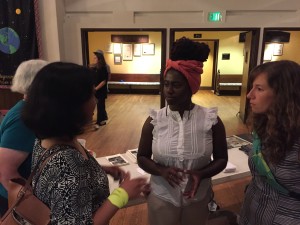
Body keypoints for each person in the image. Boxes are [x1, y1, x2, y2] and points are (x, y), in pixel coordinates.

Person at [21, 62, 149, 224]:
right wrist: (123, 194)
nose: (95, 101)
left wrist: (98, 169)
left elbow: (66, 181)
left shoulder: (47, 139)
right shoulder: (67, 164)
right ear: (71, 106)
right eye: (91, 95)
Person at [137, 37, 228, 225]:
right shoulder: (154, 121)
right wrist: (161, 170)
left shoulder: (211, 121)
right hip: (162, 197)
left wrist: (201, 174)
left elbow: (221, 158)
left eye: (176, 85)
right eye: (166, 84)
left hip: (198, 198)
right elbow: (142, 156)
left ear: (191, 86)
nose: (168, 91)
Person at [239, 60, 300, 225]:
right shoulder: (266, 125)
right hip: (251, 213)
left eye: (259, 89)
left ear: (284, 94)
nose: (249, 95)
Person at [0, 59, 48, 216]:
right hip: (14, 200)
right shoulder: (24, 118)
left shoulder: (32, 111)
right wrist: (35, 205)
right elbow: (6, 173)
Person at [90, 49, 110, 128]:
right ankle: (103, 118)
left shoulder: (103, 68)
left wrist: (96, 89)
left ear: (99, 59)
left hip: (101, 90)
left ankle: (99, 121)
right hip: (95, 90)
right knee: (98, 105)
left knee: (100, 105)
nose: (93, 59)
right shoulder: (95, 68)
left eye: (95, 58)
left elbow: (104, 81)